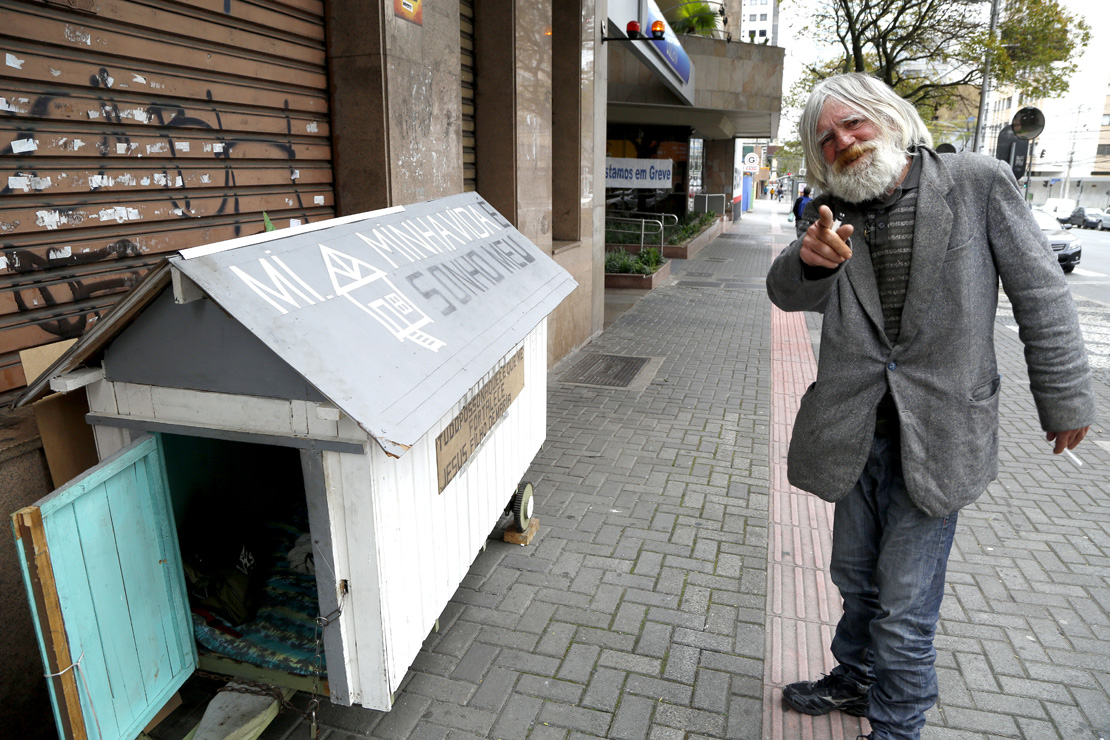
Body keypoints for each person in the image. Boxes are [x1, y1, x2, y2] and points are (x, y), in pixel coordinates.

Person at [765, 73, 1095, 740]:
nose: (842, 142)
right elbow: (787, 294)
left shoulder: (976, 183)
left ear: (888, 116)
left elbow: (1041, 294)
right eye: (825, 138)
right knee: (854, 577)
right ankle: (855, 677)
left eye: (853, 123)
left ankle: (897, 726)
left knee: (905, 608)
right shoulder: (829, 210)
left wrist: (1063, 396)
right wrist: (810, 263)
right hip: (854, 432)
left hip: (940, 434)